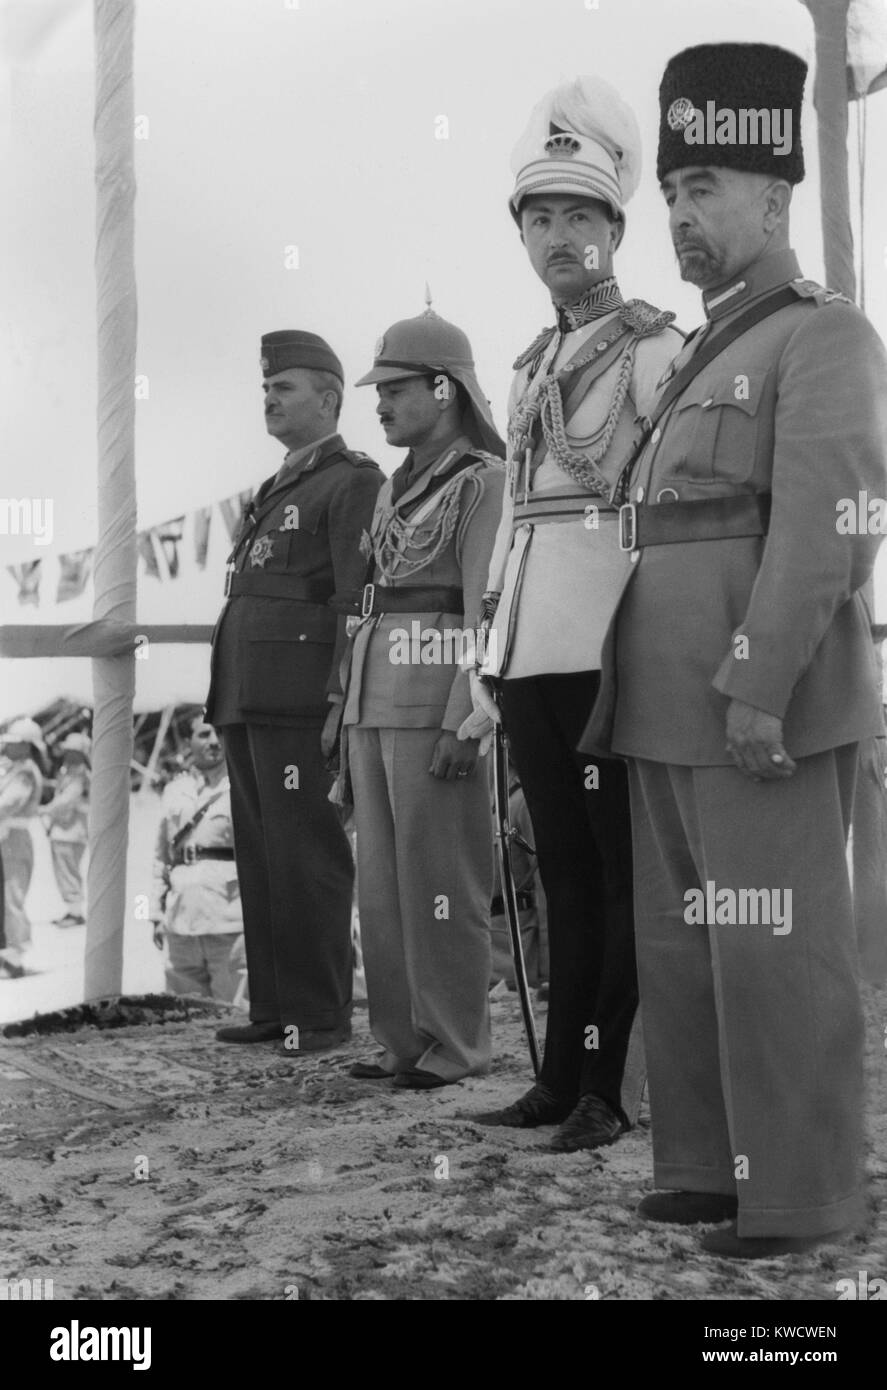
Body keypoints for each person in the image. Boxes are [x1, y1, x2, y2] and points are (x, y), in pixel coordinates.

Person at [581, 43, 887, 1256]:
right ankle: (711, 1167)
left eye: (705, 185)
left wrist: (757, 682)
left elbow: (827, 528)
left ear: (774, 196)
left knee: (775, 954)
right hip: (663, 702)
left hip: (749, 700)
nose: (680, 216)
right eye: (671, 193)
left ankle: (804, 1197)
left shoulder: (822, 338)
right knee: (689, 951)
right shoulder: (697, 354)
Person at [463, 77, 682, 1150]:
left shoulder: (652, 351)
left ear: (614, 229)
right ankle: (554, 1079)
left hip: (606, 650)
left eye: (578, 217)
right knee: (557, 870)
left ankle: (606, 1088)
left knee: (616, 871)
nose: (558, 237)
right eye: (539, 217)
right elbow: (515, 521)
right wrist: (485, 652)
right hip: (527, 653)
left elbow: (662, 518)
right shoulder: (527, 369)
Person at [340, 305, 505, 1089]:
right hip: (373, 703)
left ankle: (457, 1045)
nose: (380, 402)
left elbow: (484, 610)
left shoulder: (484, 483)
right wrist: (345, 713)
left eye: (398, 388)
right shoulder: (396, 488)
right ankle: (402, 1041)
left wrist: (462, 720)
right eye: (378, 387)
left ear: (445, 390)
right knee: (380, 888)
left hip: (434, 703)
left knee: (442, 884)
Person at [205, 330, 383, 1052]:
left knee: (306, 853)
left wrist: (341, 696)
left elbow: (353, 598)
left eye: (284, 388)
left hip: (302, 694)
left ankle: (318, 1014)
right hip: (247, 691)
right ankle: (274, 1005)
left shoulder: (352, 481)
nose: (270, 400)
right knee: (259, 852)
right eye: (266, 390)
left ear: (330, 398)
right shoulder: (276, 485)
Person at [149, 717, 247, 1003]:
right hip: (180, 922)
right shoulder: (174, 791)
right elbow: (158, 858)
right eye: (204, 734)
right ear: (188, 742)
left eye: (220, 733)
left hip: (228, 921)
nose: (214, 741)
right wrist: (150, 915)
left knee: (236, 1011)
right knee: (185, 1016)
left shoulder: (244, 786)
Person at [0, 718, 46, 978]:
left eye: (14, 744)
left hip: (14, 839)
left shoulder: (26, 772)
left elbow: (8, 804)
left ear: (28, 747)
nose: (7, 748)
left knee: (12, 898)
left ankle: (15, 959)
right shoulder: (12, 768)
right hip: (5, 837)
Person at [43, 732, 91, 928]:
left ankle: (76, 912)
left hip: (72, 832)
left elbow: (66, 801)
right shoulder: (68, 772)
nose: (69, 755)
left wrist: (45, 809)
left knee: (68, 871)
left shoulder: (81, 775)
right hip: (62, 830)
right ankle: (72, 909)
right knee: (63, 871)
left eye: (74, 752)